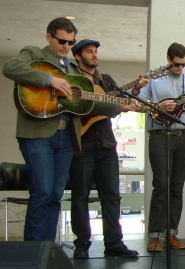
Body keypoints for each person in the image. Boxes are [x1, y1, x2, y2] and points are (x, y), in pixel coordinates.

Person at [2, 17, 118, 241]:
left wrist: (120, 105)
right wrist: (49, 80)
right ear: (49, 37)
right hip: (38, 135)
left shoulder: (73, 68)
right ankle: (33, 252)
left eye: (70, 42)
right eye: (61, 41)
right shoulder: (34, 54)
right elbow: (10, 67)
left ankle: (47, 250)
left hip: (66, 136)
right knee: (42, 192)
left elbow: (87, 100)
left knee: (55, 194)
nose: (66, 46)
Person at [68, 39, 145, 258]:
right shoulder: (73, 81)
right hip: (82, 145)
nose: (94, 55)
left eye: (95, 51)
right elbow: (77, 107)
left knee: (112, 196)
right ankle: (81, 244)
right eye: (89, 52)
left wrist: (136, 91)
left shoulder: (106, 80)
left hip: (108, 145)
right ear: (78, 57)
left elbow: (119, 102)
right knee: (80, 196)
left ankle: (113, 243)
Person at [137, 42, 185, 252]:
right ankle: (154, 236)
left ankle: (171, 234)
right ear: (169, 60)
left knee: (177, 188)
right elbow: (137, 105)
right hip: (159, 136)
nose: (180, 69)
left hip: (183, 137)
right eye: (177, 64)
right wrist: (157, 107)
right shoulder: (153, 79)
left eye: (184, 64)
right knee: (161, 186)